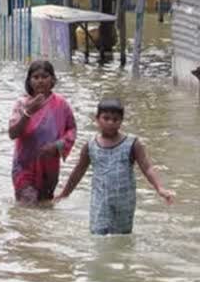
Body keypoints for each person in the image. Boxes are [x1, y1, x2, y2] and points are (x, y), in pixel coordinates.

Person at [56, 99, 174, 235]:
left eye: (115, 119)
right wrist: (65, 193)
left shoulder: (132, 144)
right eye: (106, 118)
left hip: (124, 201)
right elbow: (78, 171)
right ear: (97, 119)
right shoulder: (90, 146)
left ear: (121, 121)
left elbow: (147, 167)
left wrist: (160, 188)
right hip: (100, 200)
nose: (110, 123)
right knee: (98, 235)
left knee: (121, 237)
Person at [8, 61, 77, 204]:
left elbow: (72, 129)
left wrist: (57, 146)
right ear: (29, 81)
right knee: (27, 205)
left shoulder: (61, 104)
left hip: (49, 166)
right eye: (36, 77)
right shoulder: (22, 103)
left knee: (45, 206)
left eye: (44, 76)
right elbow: (12, 133)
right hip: (24, 165)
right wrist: (28, 113)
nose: (40, 81)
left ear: (52, 80)